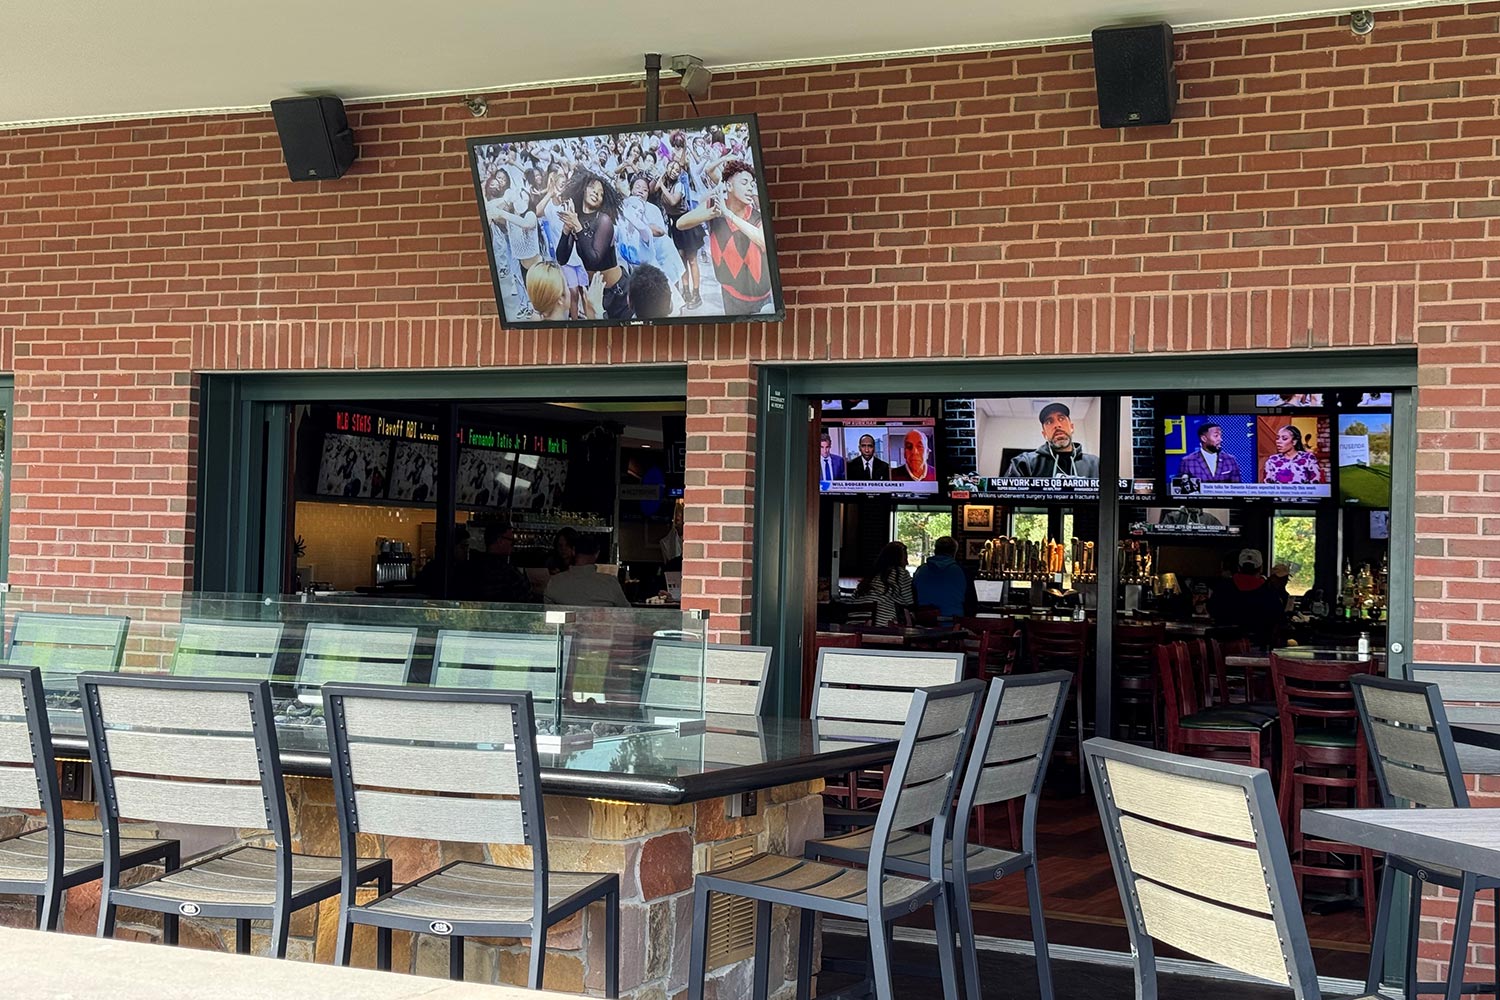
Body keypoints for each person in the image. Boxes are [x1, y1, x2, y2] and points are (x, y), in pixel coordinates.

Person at [675, 159, 773, 316]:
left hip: (762, 297)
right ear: (728, 186)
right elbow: (681, 223)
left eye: (752, 184)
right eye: (744, 183)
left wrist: (729, 215)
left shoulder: (756, 213)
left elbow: (763, 241)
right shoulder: (714, 205)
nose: (750, 188)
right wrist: (710, 213)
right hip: (731, 294)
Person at [555, 173, 632, 320]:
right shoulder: (576, 219)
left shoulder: (604, 220)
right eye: (592, 187)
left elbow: (594, 259)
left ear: (603, 201)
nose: (596, 193)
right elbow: (562, 259)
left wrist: (576, 226)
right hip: (596, 293)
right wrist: (566, 229)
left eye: (601, 193)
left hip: (618, 291)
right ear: (583, 190)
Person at [1207, 548, 1285, 646]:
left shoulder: (1222, 589)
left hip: (1224, 649)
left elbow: (1211, 610)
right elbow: (1278, 621)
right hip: (1260, 650)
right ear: (1261, 569)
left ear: (1239, 567)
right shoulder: (1270, 593)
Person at [1003, 402, 1101, 479]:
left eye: (1061, 418)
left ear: (1071, 427)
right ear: (1044, 434)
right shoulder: (1025, 463)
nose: (1057, 425)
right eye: (1049, 421)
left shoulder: (1096, 464)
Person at [544, 534, 632, 608]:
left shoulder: (555, 581)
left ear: (573, 551)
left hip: (565, 628)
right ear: (597, 554)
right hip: (599, 628)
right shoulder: (610, 583)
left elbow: (546, 615)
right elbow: (628, 613)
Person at [912, 536, 974, 622]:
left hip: (924, 626)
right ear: (954, 553)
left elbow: (914, 599)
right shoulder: (962, 572)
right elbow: (971, 604)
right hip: (954, 626)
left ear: (935, 551)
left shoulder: (920, 571)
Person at [855, 542, 914, 627]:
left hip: (856, 622)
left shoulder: (871, 575)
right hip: (882, 623)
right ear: (897, 559)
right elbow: (909, 602)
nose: (907, 563)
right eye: (905, 559)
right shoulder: (900, 573)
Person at [1177, 422, 1243, 483]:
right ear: (1204, 438)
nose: (1220, 439)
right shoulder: (1188, 461)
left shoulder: (1230, 460)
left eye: (1220, 436)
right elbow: (1182, 490)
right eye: (1216, 436)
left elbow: (1237, 489)